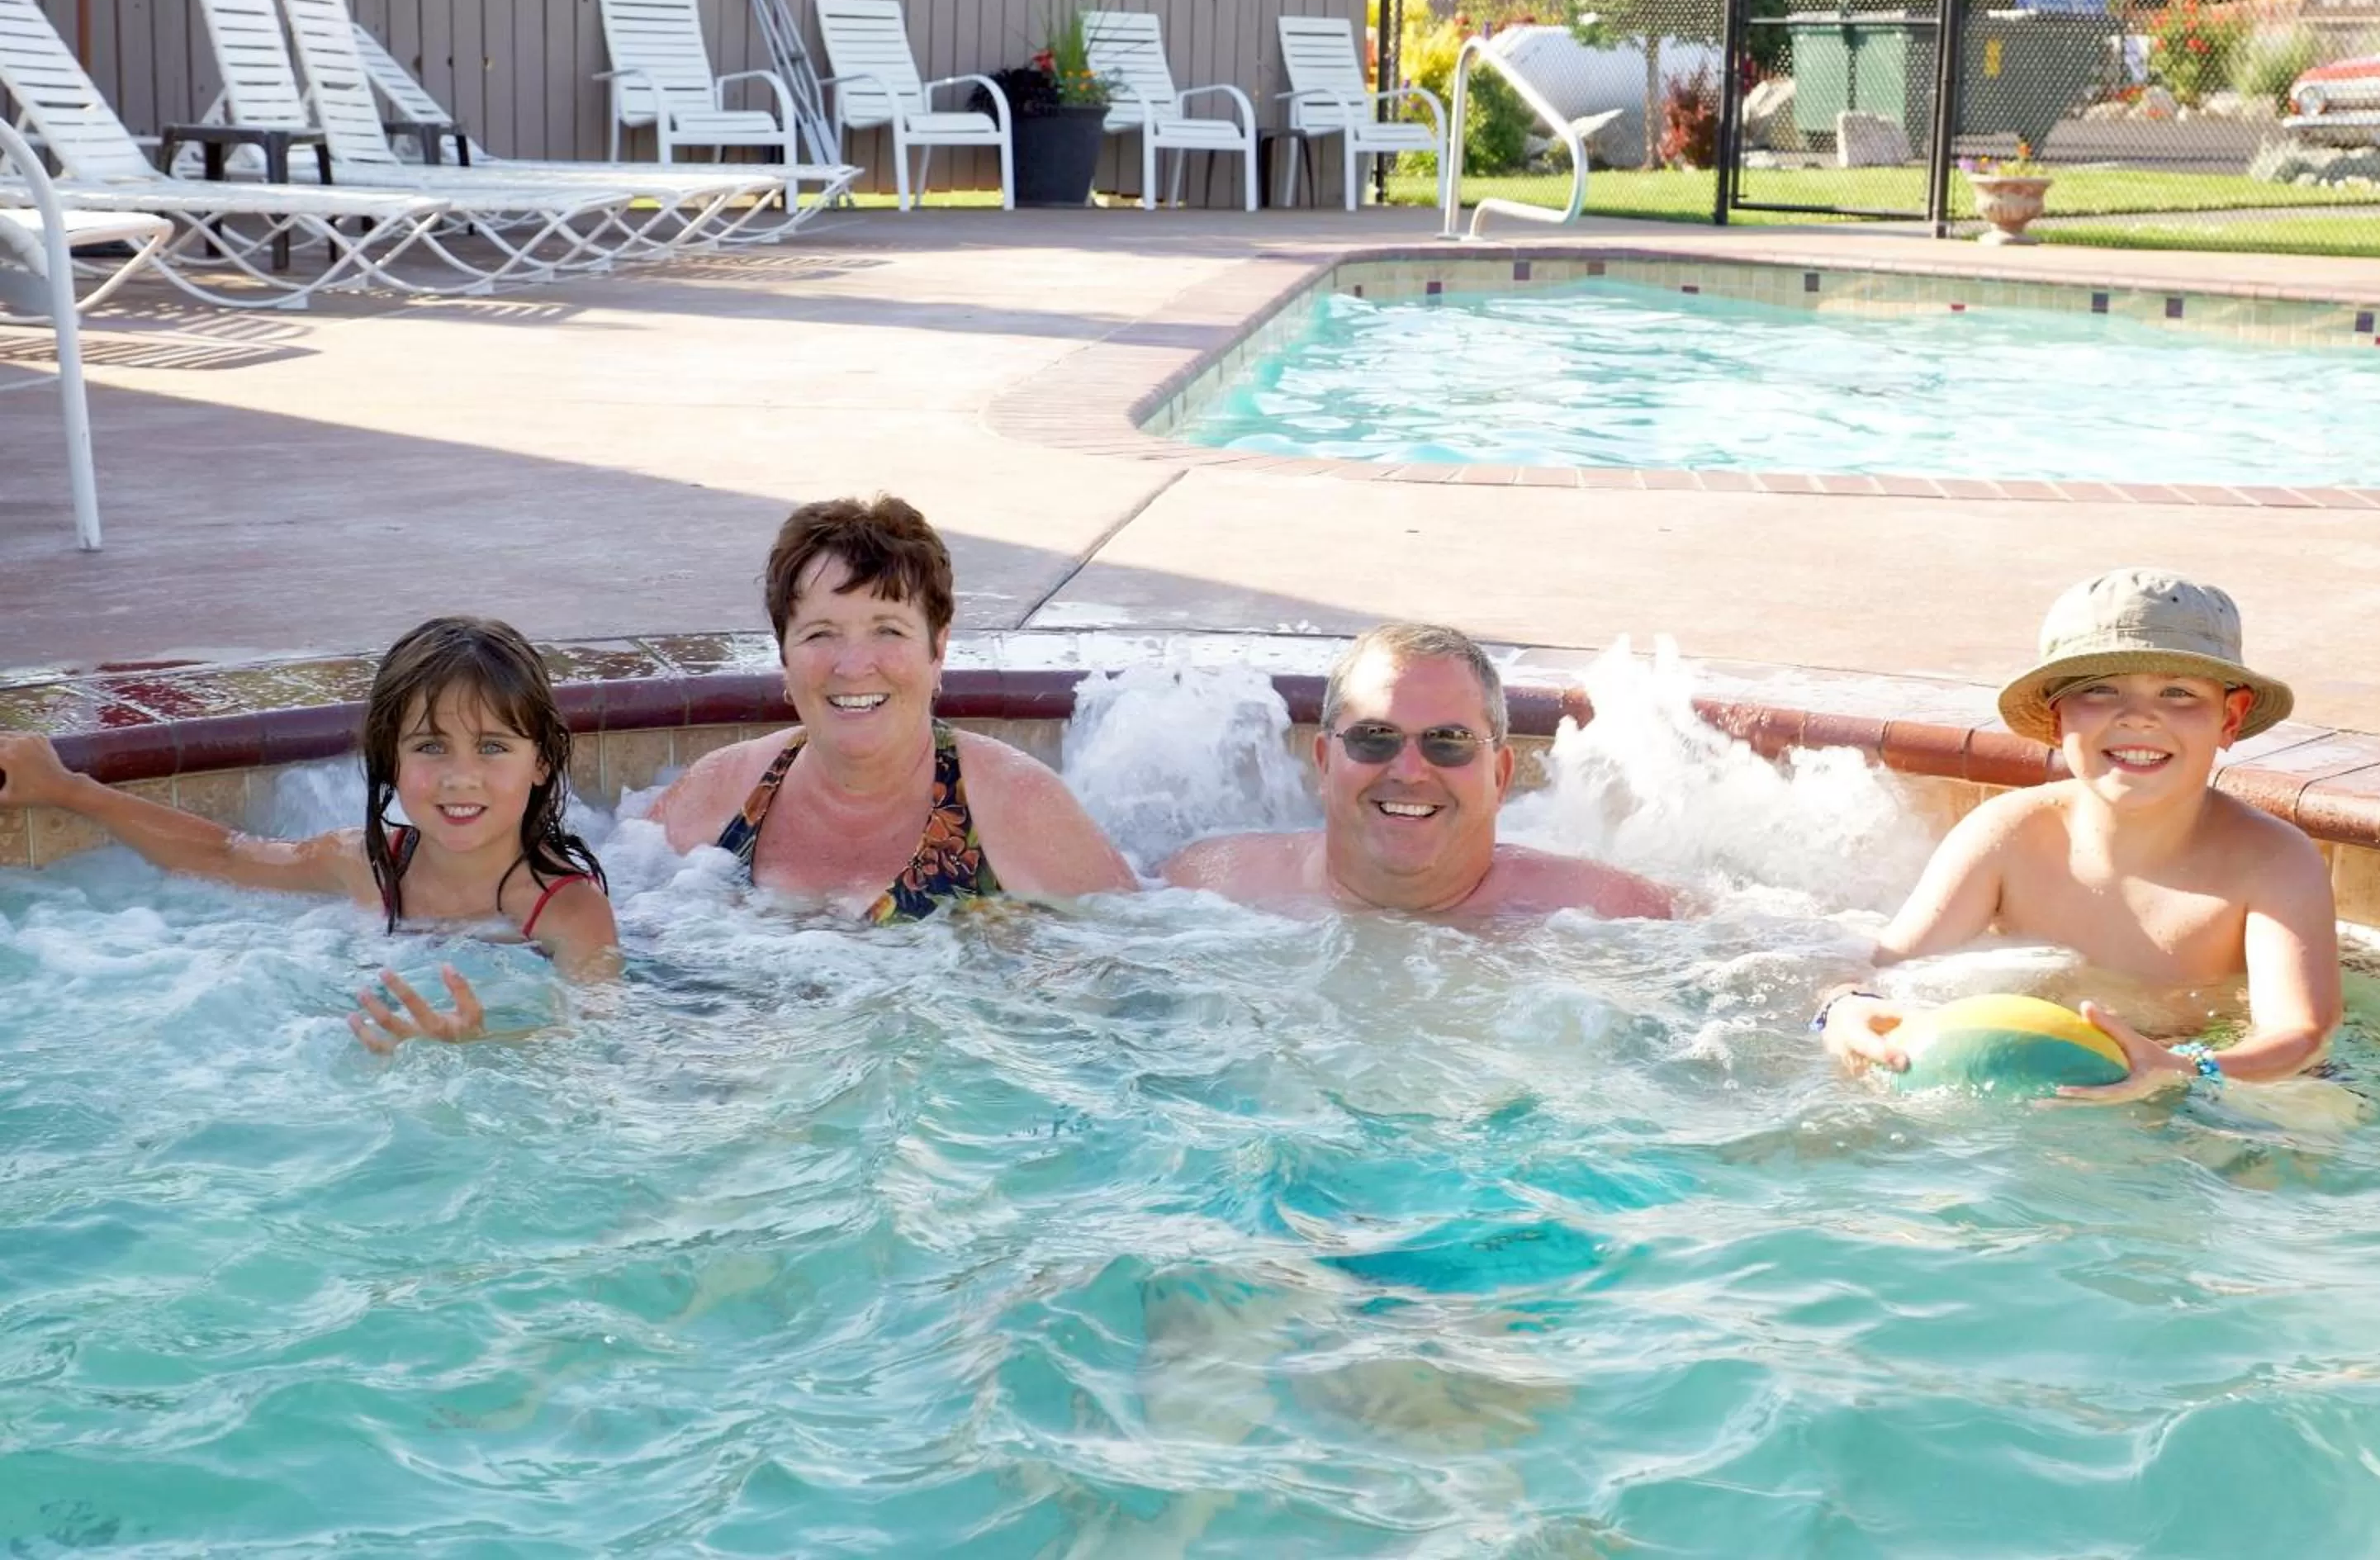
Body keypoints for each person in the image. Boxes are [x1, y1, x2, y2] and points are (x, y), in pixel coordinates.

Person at [1819, 568, 2343, 1100]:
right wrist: (1844, 1007)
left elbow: (2299, 1034)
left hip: (2203, 1073)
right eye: (2099, 690)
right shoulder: (2009, 835)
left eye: (2177, 693)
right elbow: (1882, 971)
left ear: (2230, 718)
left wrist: (2183, 1069)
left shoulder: (2271, 862)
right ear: (2055, 717)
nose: (2138, 718)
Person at [0, 616, 622, 1050]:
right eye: (431, 746)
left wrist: (488, 1043)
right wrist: (68, 790)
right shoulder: (364, 862)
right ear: (389, 757)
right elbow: (225, 854)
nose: (461, 777)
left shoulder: (568, 913)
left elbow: (597, 1041)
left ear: (540, 762)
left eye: (492, 747)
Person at [651, 496, 1135, 913]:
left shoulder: (1019, 808)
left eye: (888, 630)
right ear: (784, 655)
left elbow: (1131, 977)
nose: (854, 665)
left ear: (937, 648)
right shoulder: (720, 790)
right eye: (821, 634)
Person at [1160, 622, 1676, 920]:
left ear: (1500, 776)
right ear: (1323, 761)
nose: (1408, 771)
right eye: (1374, 737)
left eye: (1448, 742)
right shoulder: (1211, 888)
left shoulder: (1604, 912)